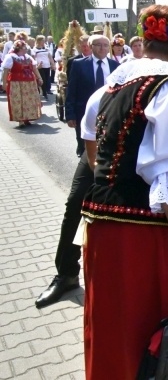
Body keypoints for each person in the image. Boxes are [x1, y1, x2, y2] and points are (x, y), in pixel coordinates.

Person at [81, 4, 168, 379]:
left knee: (113, 335)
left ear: (148, 44)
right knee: (155, 342)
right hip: (145, 238)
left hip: (104, 231)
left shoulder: (112, 86)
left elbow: (93, 152)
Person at [34, 84, 107, 309]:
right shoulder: (108, 90)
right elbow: (90, 137)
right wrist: (100, 173)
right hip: (100, 145)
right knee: (76, 202)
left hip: (139, 152)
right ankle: (67, 274)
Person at [65, 35, 119, 157]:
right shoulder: (79, 64)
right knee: (84, 145)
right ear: (91, 46)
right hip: (83, 111)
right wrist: (70, 114)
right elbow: (72, 89)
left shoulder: (115, 66)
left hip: (108, 111)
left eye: (105, 45)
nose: (102, 48)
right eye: (98, 45)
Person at [2, 39, 43, 126]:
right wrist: (4, 83)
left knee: (29, 100)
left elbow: (34, 68)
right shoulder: (10, 57)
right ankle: (20, 120)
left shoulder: (28, 57)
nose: (26, 49)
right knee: (18, 101)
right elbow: (5, 71)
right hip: (16, 82)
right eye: (24, 47)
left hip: (29, 83)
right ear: (19, 48)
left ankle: (27, 118)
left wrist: (39, 78)